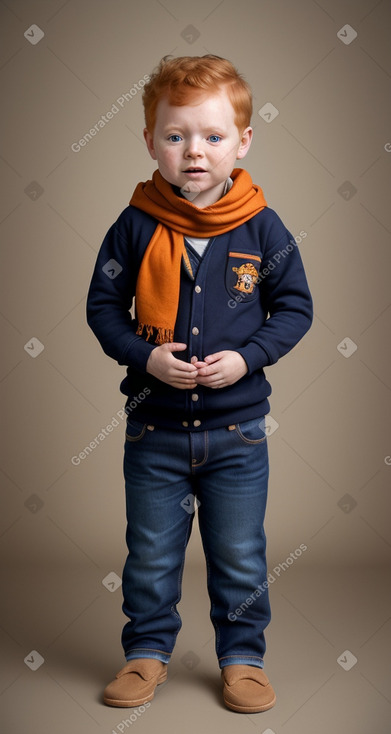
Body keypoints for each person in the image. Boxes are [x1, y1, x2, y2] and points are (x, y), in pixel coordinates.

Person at [86, 54, 313, 714]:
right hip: (153, 428)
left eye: (213, 136)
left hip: (236, 434)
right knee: (150, 554)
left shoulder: (260, 226)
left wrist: (246, 359)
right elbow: (103, 309)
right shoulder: (133, 225)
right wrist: (143, 356)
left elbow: (294, 307)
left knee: (239, 555)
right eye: (175, 135)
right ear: (151, 140)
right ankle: (145, 654)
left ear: (242, 142)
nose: (193, 152)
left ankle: (242, 659)